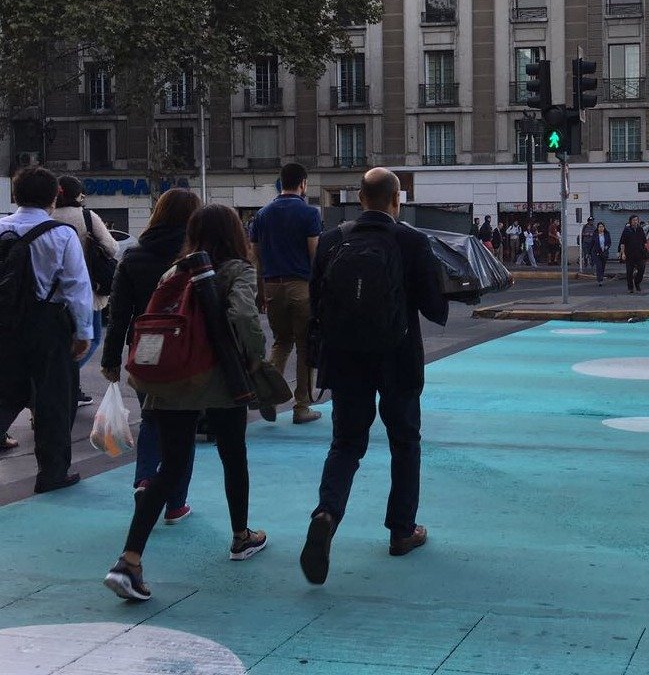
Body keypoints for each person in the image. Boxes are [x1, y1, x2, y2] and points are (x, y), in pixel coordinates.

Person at [103, 204, 269, 602]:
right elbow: (244, 317)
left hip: (171, 376)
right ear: (235, 233)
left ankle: (129, 559)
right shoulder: (236, 270)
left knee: (170, 467)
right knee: (233, 454)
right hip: (217, 377)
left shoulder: (175, 271)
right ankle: (240, 536)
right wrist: (254, 356)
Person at [300, 168, 449, 585]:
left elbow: (316, 300)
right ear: (396, 201)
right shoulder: (412, 241)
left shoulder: (333, 240)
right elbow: (434, 305)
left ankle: (327, 513)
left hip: (345, 357)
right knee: (405, 441)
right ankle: (402, 531)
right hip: (397, 357)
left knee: (346, 443)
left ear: (360, 198)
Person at [101, 189, 202, 524]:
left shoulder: (133, 256)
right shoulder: (196, 256)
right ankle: (175, 504)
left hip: (143, 348)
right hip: (186, 349)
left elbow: (118, 315)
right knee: (184, 426)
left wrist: (110, 359)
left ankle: (145, 479)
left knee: (152, 418)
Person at [0, 167, 93, 492]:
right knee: (54, 398)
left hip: (5, 322)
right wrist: (83, 332)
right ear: (54, 197)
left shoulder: (0, 228)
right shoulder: (61, 234)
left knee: (5, 392)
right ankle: (52, 473)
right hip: (48, 324)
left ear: (15, 195)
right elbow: (76, 287)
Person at [249, 163, 323, 424]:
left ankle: (269, 394)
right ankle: (301, 407)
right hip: (300, 286)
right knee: (305, 346)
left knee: (281, 341)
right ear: (303, 183)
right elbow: (315, 254)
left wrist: (260, 292)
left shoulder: (262, 215)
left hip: (271, 286)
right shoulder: (308, 213)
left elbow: (255, 258)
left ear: (280, 183)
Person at [51, 175, 118, 408]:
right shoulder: (87, 217)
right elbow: (111, 247)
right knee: (92, 338)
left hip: (52, 294)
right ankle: (63, 380)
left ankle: (70, 387)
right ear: (78, 194)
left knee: (60, 341)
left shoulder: (47, 215)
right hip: (86, 289)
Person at [619, 215, 648, 294]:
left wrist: (646, 250)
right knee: (629, 272)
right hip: (629, 254)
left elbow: (644, 242)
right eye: (634, 220)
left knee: (641, 270)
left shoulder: (640, 229)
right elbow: (622, 243)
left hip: (640, 254)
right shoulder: (627, 230)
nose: (635, 221)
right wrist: (623, 253)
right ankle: (630, 287)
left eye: (637, 220)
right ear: (630, 221)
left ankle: (637, 282)